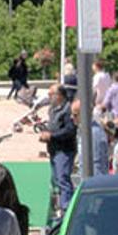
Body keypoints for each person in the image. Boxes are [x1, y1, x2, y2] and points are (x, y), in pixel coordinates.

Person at [39, 84, 77, 213]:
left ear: (60, 96)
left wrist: (51, 136)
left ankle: (67, 208)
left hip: (64, 150)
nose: (49, 97)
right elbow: (54, 126)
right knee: (57, 180)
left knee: (62, 179)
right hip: (54, 149)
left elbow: (69, 130)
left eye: (51, 94)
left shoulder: (67, 110)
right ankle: (61, 207)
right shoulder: (53, 109)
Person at [73, 99, 110, 177]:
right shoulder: (84, 131)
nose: (71, 117)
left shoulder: (93, 134)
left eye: (75, 115)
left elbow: (96, 165)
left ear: (84, 114)